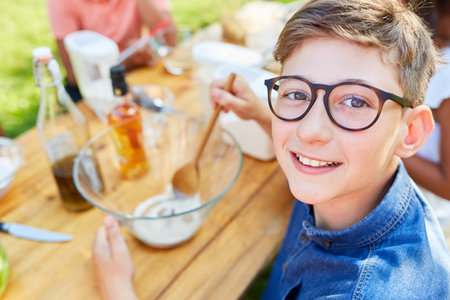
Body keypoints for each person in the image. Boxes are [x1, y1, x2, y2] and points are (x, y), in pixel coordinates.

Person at [92, 0, 450, 299]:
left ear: (410, 132)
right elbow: (312, 146)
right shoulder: (351, 176)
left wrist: (117, 289)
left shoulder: (364, 291)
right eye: (296, 93)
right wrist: (263, 116)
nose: (309, 131)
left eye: (355, 101)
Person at [47, 0, 177, 101]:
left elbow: (170, 43)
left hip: (138, 74)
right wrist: (127, 63)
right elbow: (75, 76)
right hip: (93, 88)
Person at [403, 0, 450, 239]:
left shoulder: (446, 76)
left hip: (422, 213)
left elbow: (447, 185)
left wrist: (386, 142)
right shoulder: (420, 47)